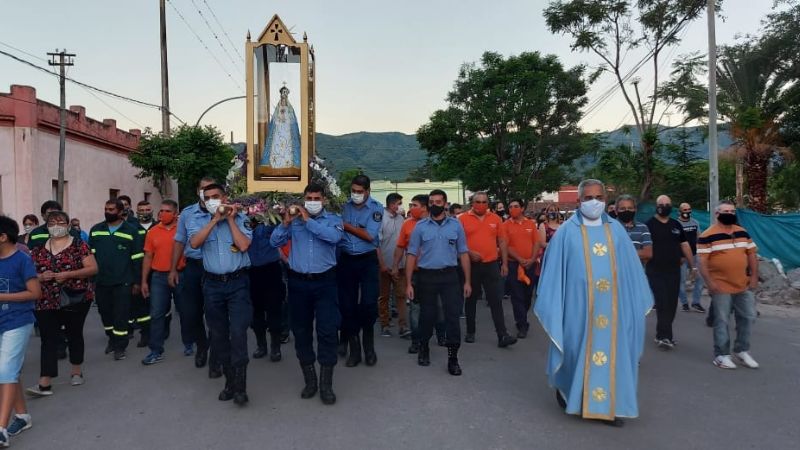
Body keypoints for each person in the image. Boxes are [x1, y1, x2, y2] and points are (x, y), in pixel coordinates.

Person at [534, 179, 653, 427]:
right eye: (588, 198)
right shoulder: (566, 233)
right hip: (578, 309)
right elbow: (554, 274)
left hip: (613, 309)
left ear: (606, 200)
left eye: (598, 197)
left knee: (614, 355)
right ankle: (569, 392)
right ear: (578, 201)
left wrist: (631, 305)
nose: (594, 203)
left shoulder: (617, 231)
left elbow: (631, 271)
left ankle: (611, 407)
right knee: (577, 352)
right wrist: (558, 307)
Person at [270, 183, 343, 405]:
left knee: (328, 330)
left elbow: (334, 238)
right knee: (300, 331)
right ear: (303, 199)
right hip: (298, 283)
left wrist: (308, 221)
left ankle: (326, 384)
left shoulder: (333, 220)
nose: (312, 201)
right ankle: (310, 379)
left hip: (325, 283)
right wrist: (285, 223)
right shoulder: (293, 221)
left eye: (316, 198)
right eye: (309, 197)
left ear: (324, 200)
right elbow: (274, 241)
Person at [189, 184, 252, 405]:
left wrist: (231, 220)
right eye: (208, 198)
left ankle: (241, 387)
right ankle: (230, 382)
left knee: (238, 333)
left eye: (216, 196)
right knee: (218, 335)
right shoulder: (199, 220)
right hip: (213, 286)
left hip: (237, 284)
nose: (212, 200)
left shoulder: (241, 217)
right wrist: (215, 220)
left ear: (225, 197)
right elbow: (194, 243)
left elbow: (244, 245)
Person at [27, 211, 97, 395]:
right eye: (52, 222)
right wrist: (41, 277)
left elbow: (92, 268)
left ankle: (76, 371)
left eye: (60, 222)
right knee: (48, 338)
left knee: (74, 333)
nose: (56, 225)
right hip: (45, 299)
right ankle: (45, 382)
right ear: (46, 225)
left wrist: (68, 275)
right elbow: (28, 274)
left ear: (67, 225)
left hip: (75, 297)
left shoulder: (79, 245)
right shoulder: (38, 250)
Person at [406, 189, 471, 375]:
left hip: (450, 276)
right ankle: (423, 347)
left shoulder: (456, 226)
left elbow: (463, 253)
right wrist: (409, 283)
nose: (435, 205)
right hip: (427, 277)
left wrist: (467, 281)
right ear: (429, 205)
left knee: (452, 317)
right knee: (427, 315)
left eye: (439, 201)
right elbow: (411, 254)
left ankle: (453, 358)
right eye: (432, 202)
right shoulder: (420, 227)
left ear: (445, 203)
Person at [697, 201, 760, 370]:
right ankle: (721, 355)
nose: (730, 214)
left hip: (743, 285)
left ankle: (742, 350)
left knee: (748, 316)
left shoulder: (742, 232)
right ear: (717, 214)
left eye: (732, 211)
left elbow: (752, 255)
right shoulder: (707, 235)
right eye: (726, 211)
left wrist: (754, 277)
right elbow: (702, 262)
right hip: (720, 286)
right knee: (722, 320)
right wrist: (710, 283)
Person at [0, 215, 41, 445]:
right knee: (9, 369)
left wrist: (2, 297)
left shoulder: (22, 260)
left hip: (18, 321)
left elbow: (35, 293)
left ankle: (1, 429)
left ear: (3, 237)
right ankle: (23, 416)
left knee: (5, 370)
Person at [88, 199, 144, 361]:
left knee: (121, 314)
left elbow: (137, 258)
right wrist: (91, 281)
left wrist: (137, 282)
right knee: (105, 313)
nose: (108, 211)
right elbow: (90, 256)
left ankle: (120, 345)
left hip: (123, 281)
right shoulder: (96, 230)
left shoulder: (131, 231)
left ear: (120, 212)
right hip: (101, 281)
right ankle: (111, 338)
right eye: (106, 209)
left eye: (112, 209)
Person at [171, 177, 216, 376]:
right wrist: (173, 269)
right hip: (193, 267)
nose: (205, 192)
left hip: (215, 268)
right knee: (191, 312)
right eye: (202, 189)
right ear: (198, 191)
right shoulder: (188, 214)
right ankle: (202, 345)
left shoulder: (223, 212)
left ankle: (216, 350)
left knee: (216, 313)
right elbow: (179, 241)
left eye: (210, 189)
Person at [459, 192, 516, 347]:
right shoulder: (462, 219)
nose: (481, 205)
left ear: (488, 203)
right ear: (472, 202)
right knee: (470, 300)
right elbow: (457, 242)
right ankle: (470, 331)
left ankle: (502, 335)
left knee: (495, 300)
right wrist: (469, 253)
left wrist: (504, 263)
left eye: (484, 202)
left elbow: (502, 241)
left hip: (491, 265)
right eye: (478, 202)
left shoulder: (495, 219)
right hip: (471, 265)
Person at [338, 175, 383, 367]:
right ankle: (354, 349)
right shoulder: (342, 206)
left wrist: (345, 226)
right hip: (346, 260)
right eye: (353, 191)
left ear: (368, 191)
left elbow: (369, 235)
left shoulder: (376, 208)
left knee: (368, 305)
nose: (356, 195)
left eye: (359, 191)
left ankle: (369, 347)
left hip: (367, 261)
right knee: (347, 306)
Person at [140, 200, 190, 365]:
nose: (162, 214)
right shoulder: (153, 232)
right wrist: (144, 281)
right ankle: (155, 350)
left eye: (167, 211)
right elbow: (148, 257)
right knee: (156, 314)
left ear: (176, 214)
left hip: (181, 275)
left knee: (185, 311)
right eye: (161, 211)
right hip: (158, 277)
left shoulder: (184, 230)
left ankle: (189, 343)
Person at [645, 195, 696, 350]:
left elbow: (685, 245)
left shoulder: (676, 224)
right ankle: (665, 336)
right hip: (655, 270)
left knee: (672, 304)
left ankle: (662, 334)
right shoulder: (649, 225)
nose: (665, 206)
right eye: (662, 204)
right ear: (656, 206)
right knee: (662, 302)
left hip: (674, 270)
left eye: (668, 204)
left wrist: (692, 266)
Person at [246, 217, 285, 362]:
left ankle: (276, 346)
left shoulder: (273, 217)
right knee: (256, 312)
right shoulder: (244, 218)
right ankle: (261, 345)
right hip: (251, 271)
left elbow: (281, 238)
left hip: (271, 269)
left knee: (274, 309)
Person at [501, 199, 541, 339]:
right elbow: (506, 246)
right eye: (511, 207)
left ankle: (522, 316)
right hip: (514, 265)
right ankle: (522, 325)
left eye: (516, 206)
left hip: (530, 265)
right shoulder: (505, 225)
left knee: (527, 294)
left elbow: (537, 243)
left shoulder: (530, 224)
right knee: (517, 296)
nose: (513, 209)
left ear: (522, 208)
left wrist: (531, 259)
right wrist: (520, 259)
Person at [378, 193, 409, 338]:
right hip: (384, 265)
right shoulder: (380, 220)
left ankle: (403, 326)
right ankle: (384, 324)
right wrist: (382, 264)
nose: (400, 206)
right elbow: (376, 244)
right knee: (384, 296)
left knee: (401, 296)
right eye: (399, 203)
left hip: (400, 265)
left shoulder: (401, 219)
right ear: (391, 204)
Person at [130, 201, 155, 348]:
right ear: (137, 211)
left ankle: (161, 330)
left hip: (158, 271)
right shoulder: (131, 228)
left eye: (147, 209)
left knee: (158, 304)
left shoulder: (158, 226)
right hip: (138, 272)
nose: (144, 212)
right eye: (141, 210)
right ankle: (145, 334)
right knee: (141, 306)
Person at [260, 85, 301, 171]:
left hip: (287, 130)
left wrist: (286, 120)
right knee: (276, 145)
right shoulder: (278, 108)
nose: (284, 95)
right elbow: (275, 120)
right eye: (283, 92)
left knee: (288, 146)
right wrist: (280, 120)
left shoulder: (290, 109)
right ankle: (276, 164)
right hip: (279, 129)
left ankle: (289, 163)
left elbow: (292, 120)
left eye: (285, 93)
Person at [677, 202, 705, 313]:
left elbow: (699, 237)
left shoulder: (695, 223)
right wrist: (679, 255)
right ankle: (684, 303)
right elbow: (674, 242)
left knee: (700, 278)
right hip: (682, 257)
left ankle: (696, 302)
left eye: (689, 209)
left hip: (694, 255)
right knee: (681, 281)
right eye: (685, 210)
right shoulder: (676, 224)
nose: (687, 212)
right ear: (680, 211)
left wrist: (701, 252)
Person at [615, 195, 652, 265]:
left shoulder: (643, 228)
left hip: (637, 272)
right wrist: (638, 253)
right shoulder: (609, 227)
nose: (627, 211)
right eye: (622, 209)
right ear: (616, 211)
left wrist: (621, 252)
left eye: (630, 208)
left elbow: (648, 253)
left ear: (635, 210)